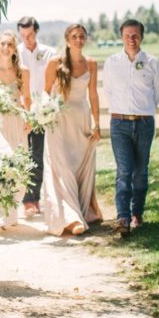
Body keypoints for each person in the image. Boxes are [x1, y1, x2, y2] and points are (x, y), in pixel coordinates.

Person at [102, 19, 159, 237]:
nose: (131, 39)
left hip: (144, 123)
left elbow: (157, 94)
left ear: (142, 37)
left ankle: (137, 213)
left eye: (135, 35)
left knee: (140, 172)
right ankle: (123, 218)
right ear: (121, 37)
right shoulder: (111, 62)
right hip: (119, 123)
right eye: (127, 35)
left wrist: (142, 111)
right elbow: (108, 91)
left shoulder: (152, 62)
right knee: (124, 171)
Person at [41, 24, 102, 236]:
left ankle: (82, 210)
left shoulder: (91, 63)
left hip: (82, 118)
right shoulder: (55, 63)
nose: (78, 40)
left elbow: (93, 94)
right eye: (74, 36)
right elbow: (45, 92)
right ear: (67, 40)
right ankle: (68, 217)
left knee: (79, 165)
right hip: (59, 121)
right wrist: (45, 113)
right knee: (62, 166)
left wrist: (97, 123)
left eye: (82, 36)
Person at [0, 30, 31, 228]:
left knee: (16, 164)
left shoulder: (23, 71)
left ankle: (12, 211)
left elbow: (26, 98)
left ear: (15, 48)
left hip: (16, 121)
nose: (6, 47)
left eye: (10, 44)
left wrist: (28, 118)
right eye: (3, 43)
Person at [16, 16, 57, 215]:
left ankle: (32, 199)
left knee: (37, 155)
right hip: (20, 111)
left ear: (37, 32)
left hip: (42, 112)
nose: (27, 39)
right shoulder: (15, 52)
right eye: (23, 35)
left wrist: (45, 109)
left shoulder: (49, 53)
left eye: (30, 35)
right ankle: (17, 197)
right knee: (20, 154)